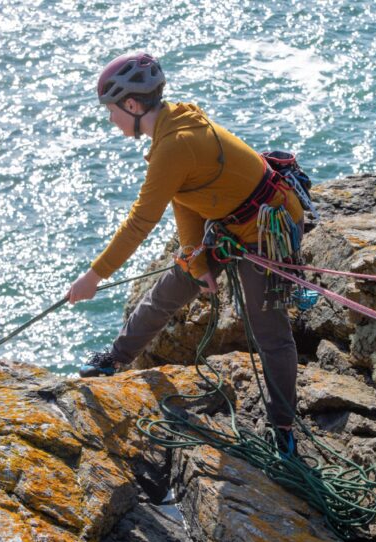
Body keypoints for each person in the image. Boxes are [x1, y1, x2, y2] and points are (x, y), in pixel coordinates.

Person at [65, 52, 305, 455]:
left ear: (132, 105)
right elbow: (186, 196)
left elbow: (140, 222)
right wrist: (195, 258)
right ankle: (116, 357)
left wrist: (95, 276)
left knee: (270, 333)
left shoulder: (174, 144)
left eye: (111, 112)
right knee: (173, 285)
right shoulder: (174, 121)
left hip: (266, 228)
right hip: (231, 219)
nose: (111, 121)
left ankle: (283, 428)